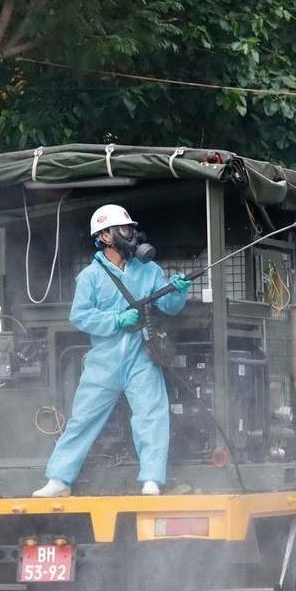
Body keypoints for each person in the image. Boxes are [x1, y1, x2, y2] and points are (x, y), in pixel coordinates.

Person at [32, 204, 190, 497]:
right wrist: (115, 320)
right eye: (125, 229)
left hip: (141, 356)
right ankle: (59, 479)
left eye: (130, 228)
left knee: (151, 415)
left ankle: (151, 479)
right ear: (105, 235)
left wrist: (178, 290)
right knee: (83, 418)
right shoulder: (90, 277)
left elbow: (169, 306)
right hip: (103, 360)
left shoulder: (150, 269)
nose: (131, 234)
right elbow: (80, 316)